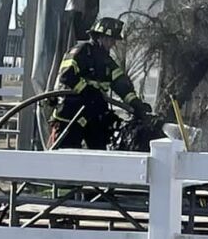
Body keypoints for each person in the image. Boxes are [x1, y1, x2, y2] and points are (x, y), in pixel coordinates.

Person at [49, 16, 148, 149]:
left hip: (93, 116)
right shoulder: (81, 50)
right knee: (64, 157)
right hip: (70, 115)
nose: (113, 44)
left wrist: (135, 103)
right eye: (111, 39)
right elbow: (66, 76)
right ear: (100, 37)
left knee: (99, 157)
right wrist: (87, 91)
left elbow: (121, 85)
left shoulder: (108, 62)